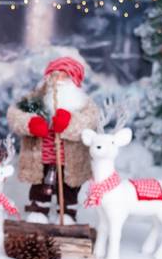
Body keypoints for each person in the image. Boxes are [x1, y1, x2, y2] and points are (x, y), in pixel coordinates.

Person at [6, 56, 99, 224]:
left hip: (71, 160)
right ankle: (38, 210)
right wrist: (31, 123)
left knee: (69, 187)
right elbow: (15, 114)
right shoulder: (35, 100)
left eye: (65, 76)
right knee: (41, 186)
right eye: (55, 75)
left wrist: (69, 123)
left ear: (75, 80)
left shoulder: (83, 103)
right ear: (48, 77)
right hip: (41, 157)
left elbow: (90, 120)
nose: (59, 80)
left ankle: (67, 213)